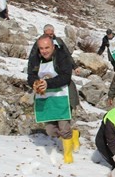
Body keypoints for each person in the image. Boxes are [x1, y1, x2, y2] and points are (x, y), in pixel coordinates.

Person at [27, 34, 79, 163]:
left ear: (53, 46)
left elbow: (66, 77)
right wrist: (34, 82)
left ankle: (67, 155)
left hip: (63, 95)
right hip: (46, 97)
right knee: (50, 130)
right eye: (41, 48)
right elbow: (31, 75)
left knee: (63, 126)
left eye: (47, 48)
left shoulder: (62, 56)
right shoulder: (35, 58)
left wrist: (48, 83)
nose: (44, 51)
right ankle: (74, 134)